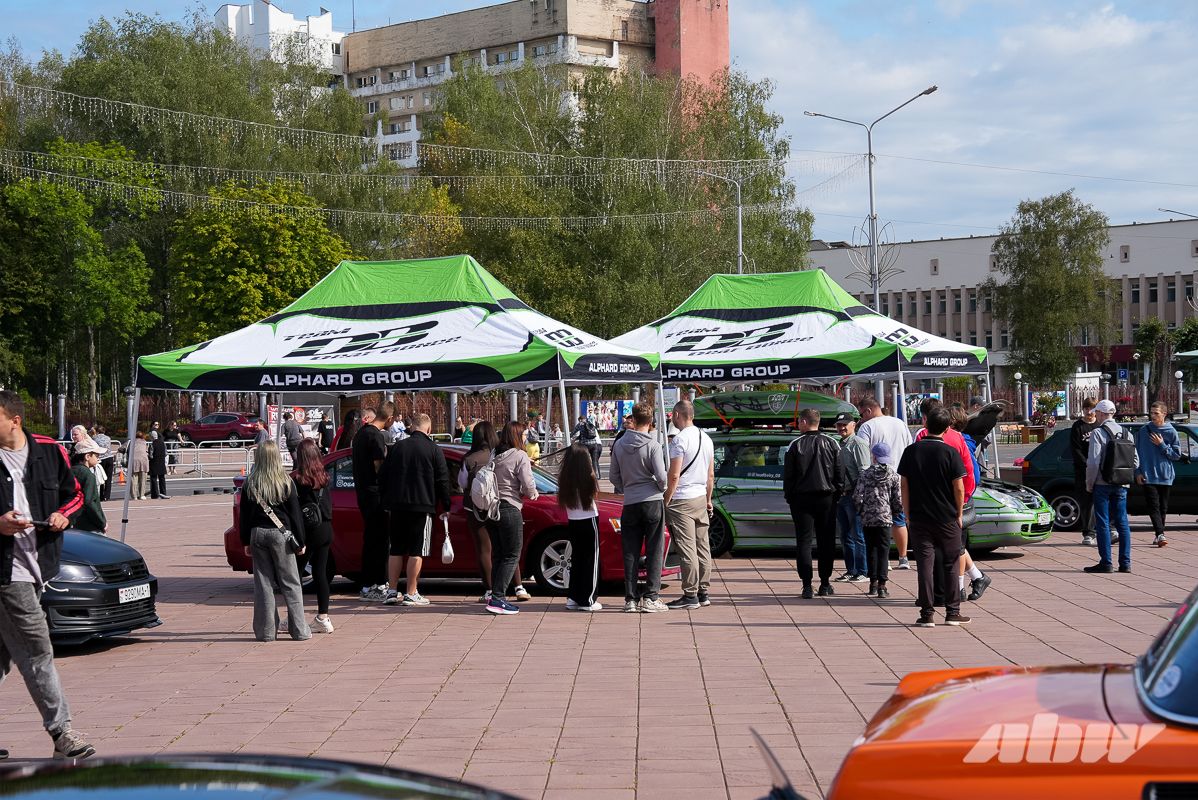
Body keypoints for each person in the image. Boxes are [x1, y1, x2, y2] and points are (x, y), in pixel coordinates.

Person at [0, 390, 94, 760]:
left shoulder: (47, 450)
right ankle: (62, 732)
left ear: (14, 420)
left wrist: (63, 515)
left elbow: (75, 495)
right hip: (9, 573)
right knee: (38, 650)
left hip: (40, 564)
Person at [897, 406, 969, 627]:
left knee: (925, 565)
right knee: (950, 563)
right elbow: (959, 487)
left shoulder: (912, 451)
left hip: (919, 517)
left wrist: (907, 513)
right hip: (947, 517)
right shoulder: (950, 452)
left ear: (925, 423)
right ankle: (952, 611)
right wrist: (958, 512)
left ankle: (927, 613)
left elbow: (904, 485)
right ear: (948, 428)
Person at [239, 441, 310, 642]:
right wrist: (301, 540)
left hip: (257, 534)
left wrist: (245, 540)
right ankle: (299, 630)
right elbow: (295, 514)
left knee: (263, 584)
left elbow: (244, 516)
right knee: (291, 582)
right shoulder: (285, 482)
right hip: (281, 534)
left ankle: (266, 632)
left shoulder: (250, 483)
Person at [378, 413, 450, 607]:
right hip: (423, 506)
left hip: (397, 505)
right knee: (417, 550)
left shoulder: (397, 448)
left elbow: (382, 476)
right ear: (429, 429)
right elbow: (443, 480)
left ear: (411, 428)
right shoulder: (434, 449)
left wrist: (386, 500)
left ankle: (392, 591)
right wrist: (447, 504)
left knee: (396, 550)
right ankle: (411, 591)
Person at [609, 403, 669, 613]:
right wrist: (660, 487)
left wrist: (627, 486)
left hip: (630, 502)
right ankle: (651, 597)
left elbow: (613, 477)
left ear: (632, 419)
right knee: (654, 549)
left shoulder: (619, 444)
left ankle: (630, 599)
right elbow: (662, 477)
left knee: (630, 552)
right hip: (652, 499)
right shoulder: (653, 445)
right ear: (651, 421)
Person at [783, 408, 844, 599]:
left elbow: (789, 476)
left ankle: (807, 585)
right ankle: (825, 583)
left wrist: (790, 496)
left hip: (801, 498)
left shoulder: (795, 445)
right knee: (826, 540)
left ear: (803, 422)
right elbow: (839, 473)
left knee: (804, 541)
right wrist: (837, 493)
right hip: (827, 497)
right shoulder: (832, 443)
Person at [663, 400, 715, 610]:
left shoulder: (679, 440)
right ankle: (703, 591)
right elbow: (710, 475)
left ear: (677, 414)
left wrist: (667, 498)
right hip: (700, 497)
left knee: (687, 548)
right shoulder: (707, 438)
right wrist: (709, 499)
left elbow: (674, 475)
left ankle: (690, 594)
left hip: (682, 499)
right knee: (703, 546)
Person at [485, 421, 539, 615]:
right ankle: (498, 599)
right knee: (512, 555)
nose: (525, 438)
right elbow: (528, 486)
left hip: (492, 509)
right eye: (523, 435)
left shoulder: (494, 454)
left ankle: (494, 594)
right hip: (510, 508)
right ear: (517, 436)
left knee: (499, 555)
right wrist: (533, 493)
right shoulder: (520, 455)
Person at [856, 397, 913, 569]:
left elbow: (862, 452)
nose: (861, 418)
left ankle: (884, 559)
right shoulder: (900, 423)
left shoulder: (867, 427)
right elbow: (909, 446)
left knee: (878, 522)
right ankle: (903, 558)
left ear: (867, 411)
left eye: (861, 414)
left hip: (876, 480)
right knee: (899, 519)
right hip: (899, 476)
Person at [1084, 398, 1139, 574]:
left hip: (1102, 483)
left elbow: (1093, 462)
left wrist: (1089, 483)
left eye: (1097, 413)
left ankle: (1106, 562)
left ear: (1100, 413)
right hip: (1122, 484)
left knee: (1103, 522)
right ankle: (1125, 563)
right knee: (1122, 522)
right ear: (1113, 413)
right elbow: (1136, 461)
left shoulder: (1098, 433)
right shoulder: (1127, 433)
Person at [291, 439, 334, 633]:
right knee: (320, 573)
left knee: (295, 575)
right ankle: (323, 617)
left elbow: (296, 512)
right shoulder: (324, 477)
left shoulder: (298, 480)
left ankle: (294, 618)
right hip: (326, 528)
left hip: (308, 532)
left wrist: (299, 539)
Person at [352, 403, 392, 601]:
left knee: (371, 540)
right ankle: (379, 583)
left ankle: (367, 584)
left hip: (363, 493)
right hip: (375, 495)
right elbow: (379, 467)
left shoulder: (360, 435)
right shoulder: (375, 436)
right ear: (390, 419)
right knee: (380, 541)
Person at [557, 443, 603, 612]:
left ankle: (573, 597)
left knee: (576, 559)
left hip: (573, 521)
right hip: (589, 519)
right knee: (591, 560)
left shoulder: (565, 477)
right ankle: (588, 599)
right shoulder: (588, 477)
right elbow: (593, 495)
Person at [853, 442, 902, 598]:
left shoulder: (864, 474)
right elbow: (898, 500)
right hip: (885, 518)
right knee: (883, 550)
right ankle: (882, 585)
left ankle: (872, 583)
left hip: (868, 518)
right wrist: (894, 512)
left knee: (871, 549)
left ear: (873, 456)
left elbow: (857, 497)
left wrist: (861, 511)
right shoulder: (893, 475)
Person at [459, 420, 500, 602]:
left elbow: (462, 484)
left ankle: (490, 590)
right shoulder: (500, 456)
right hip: (497, 506)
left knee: (484, 549)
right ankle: (516, 586)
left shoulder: (468, 458)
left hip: (474, 508)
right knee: (503, 548)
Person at [1136, 401, 1180, 548]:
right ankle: (1161, 533)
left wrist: (1161, 445)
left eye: (1156, 413)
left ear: (1164, 414)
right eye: (1151, 413)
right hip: (1148, 474)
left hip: (1165, 475)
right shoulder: (1144, 430)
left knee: (1163, 507)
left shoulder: (1171, 431)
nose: (1153, 416)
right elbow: (1136, 453)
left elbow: (1176, 455)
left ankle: (1158, 534)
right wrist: (1138, 471)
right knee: (1153, 505)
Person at [833, 412, 870, 584]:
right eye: (839, 425)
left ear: (853, 425)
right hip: (842, 495)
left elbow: (864, 471)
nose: (841, 427)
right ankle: (851, 570)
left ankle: (862, 571)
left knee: (858, 535)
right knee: (845, 535)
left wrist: (860, 496)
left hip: (854, 496)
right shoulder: (840, 443)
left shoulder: (858, 444)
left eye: (844, 424)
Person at [1070, 398, 1100, 546]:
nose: (1089, 412)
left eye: (1092, 409)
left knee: (1100, 501)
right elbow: (1075, 450)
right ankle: (1088, 533)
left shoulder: (1099, 426)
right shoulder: (1077, 427)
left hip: (1099, 471)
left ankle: (1106, 530)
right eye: (1086, 408)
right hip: (1083, 471)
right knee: (1086, 503)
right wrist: (1087, 464)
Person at [69, 440, 108, 534]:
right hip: (90, 525)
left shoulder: (70, 471)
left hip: (74, 522)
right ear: (87, 456)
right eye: (96, 455)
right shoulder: (88, 475)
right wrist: (102, 522)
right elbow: (89, 501)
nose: (98, 458)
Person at [573, 414, 603, 479]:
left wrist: (570, 438)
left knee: (584, 460)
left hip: (586, 445)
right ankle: (597, 476)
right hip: (594, 445)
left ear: (580, 420)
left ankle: (584, 475)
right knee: (594, 460)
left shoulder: (580, 425)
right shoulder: (591, 424)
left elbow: (573, 432)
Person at [92, 426, 115, 500]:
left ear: (97, 431)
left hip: (101, 459)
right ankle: (107, 496)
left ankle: (101, 496)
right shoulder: (108, 438)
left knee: (100, 477)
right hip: (109, 457)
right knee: (108, 478)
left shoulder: (94, 438)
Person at [128, 431, 150, 501]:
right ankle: (142, 495)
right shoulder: (144, 442)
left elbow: (122, 448)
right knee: (143, 479)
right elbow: (146, 451)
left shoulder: (131, 442)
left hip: (134, 461)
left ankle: (134, 496)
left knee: (134, 479)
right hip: (143, 461)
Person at [148, 428, 169, 500]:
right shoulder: (163, 443)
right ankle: (163, 493)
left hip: (154, 463)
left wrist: (148, 455)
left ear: (152, 437)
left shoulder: (152, 444)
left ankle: (155, 495)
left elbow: (151, 456)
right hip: (161, 463)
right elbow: (166, 453)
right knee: (162, 478)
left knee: (153, 479)